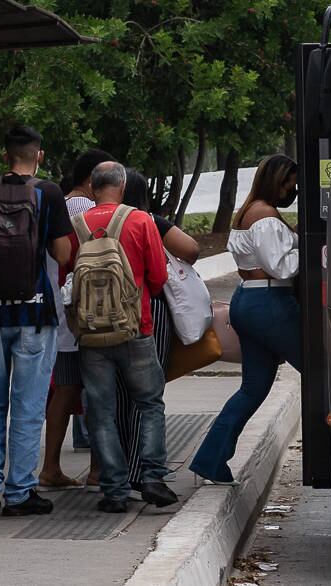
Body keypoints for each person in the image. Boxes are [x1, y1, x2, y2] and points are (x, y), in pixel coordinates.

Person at [0, 126, 74, 517]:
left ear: (5, 154)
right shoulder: (48, 193)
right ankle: (20, 492)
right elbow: (62, 253)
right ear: (38, 156)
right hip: (34, 313)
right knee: (28, 405)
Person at [68, 161, 178, 513]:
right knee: (149, 403)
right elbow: (159, 278)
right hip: (136, 327)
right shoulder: (140, 220)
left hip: (91, 334)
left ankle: (113, 491)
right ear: (122, 183)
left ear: (93, 186)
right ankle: (151, 476)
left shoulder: (77, 225)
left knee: (100, 412)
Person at [190, 155, 303, 485]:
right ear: (277, 181)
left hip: (249, 300)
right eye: (290, 183)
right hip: (270, 301)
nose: (292, 190)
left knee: (253, 388)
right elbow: (282, 267)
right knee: (321, 371)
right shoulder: (266, 217)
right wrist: (312, 246)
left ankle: (212, 459)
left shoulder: (247, 212)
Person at [118, 169, 199, 493]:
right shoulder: (147, 220)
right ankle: (145, 472)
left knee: (117, 396)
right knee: (148, 393)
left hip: (103, 316)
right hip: (149, 311)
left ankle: (118, 471)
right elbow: (191, 249)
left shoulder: (99, 220)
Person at [40, 148, 113, 491]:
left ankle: (50, 467)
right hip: (84, 315)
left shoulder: (58, 203)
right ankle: (98, 469)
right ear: (92, 181)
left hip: (59, 312)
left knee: (65, 392)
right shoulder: (85, 209)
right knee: (95, 392)